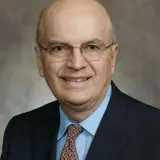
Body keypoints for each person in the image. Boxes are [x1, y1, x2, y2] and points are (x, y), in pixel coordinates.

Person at [1, 0, 160, 160]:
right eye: (59, 48)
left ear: (112, 58)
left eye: (92, 47)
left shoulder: (155, 133)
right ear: (40, 60)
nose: (76, 64)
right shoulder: (19, 133)